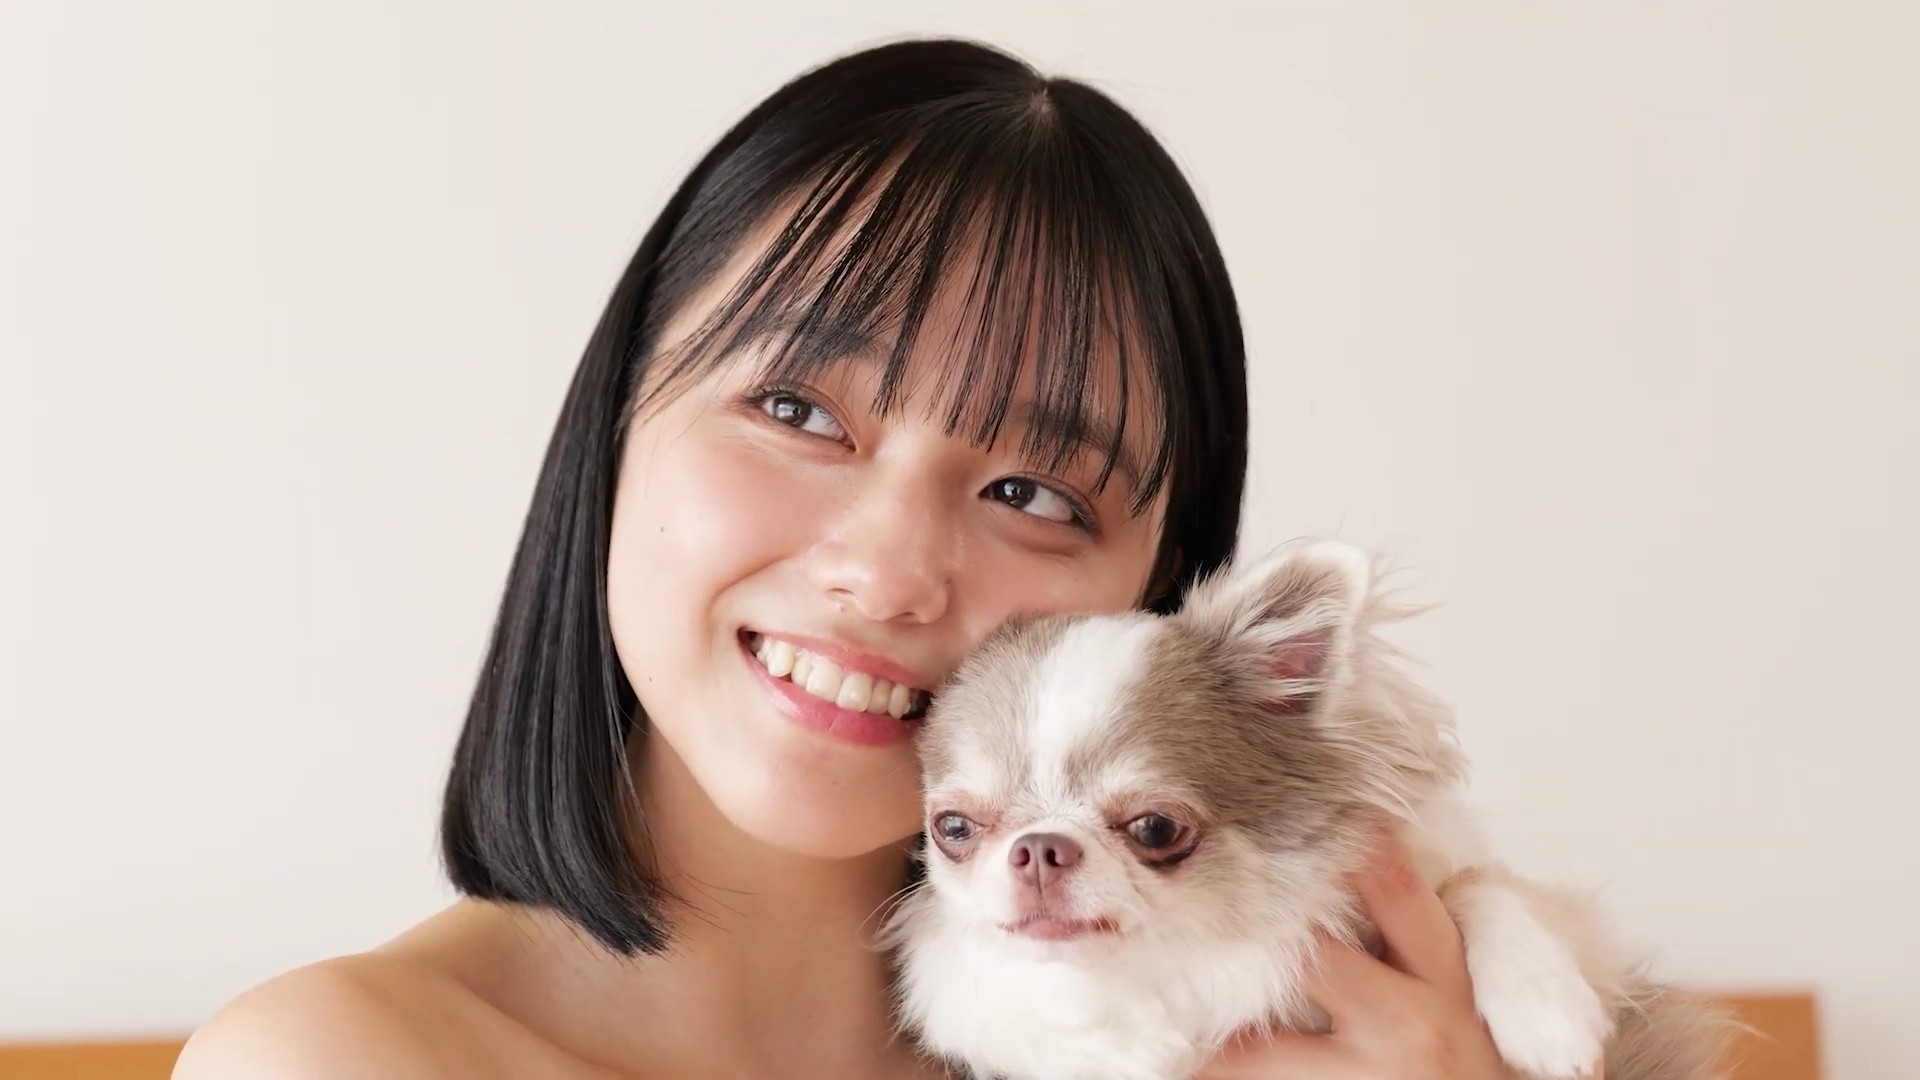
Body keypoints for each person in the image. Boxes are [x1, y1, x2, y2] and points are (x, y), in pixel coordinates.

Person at [176, 38, 1600, 1080]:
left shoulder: (1364, 1035)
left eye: (1033, 491)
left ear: (1158, 595)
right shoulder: (334, 1059)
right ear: (613, 422)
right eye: (800, 413)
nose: (890, 570)